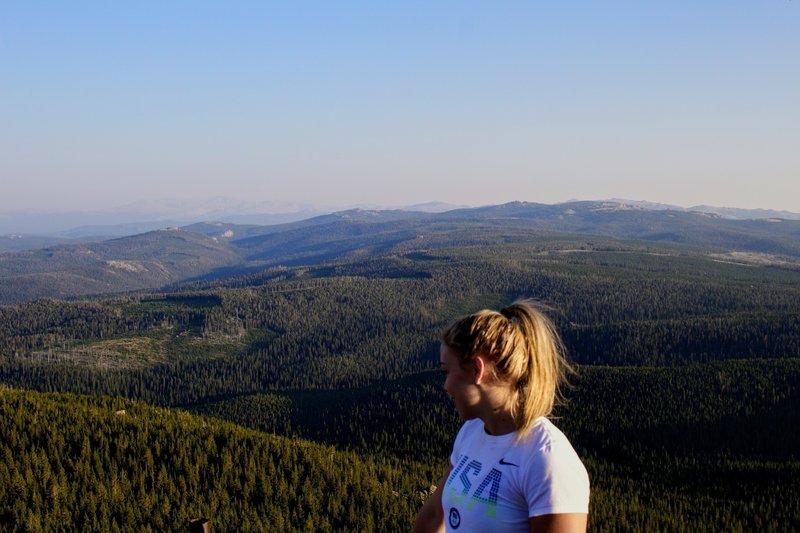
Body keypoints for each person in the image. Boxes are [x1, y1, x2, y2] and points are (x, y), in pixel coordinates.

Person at [413, 300, 589, 532]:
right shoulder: (472, 431)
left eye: (447, 371)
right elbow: (435, 514)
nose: (445, 386)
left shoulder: (546, 458)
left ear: (477, 369)